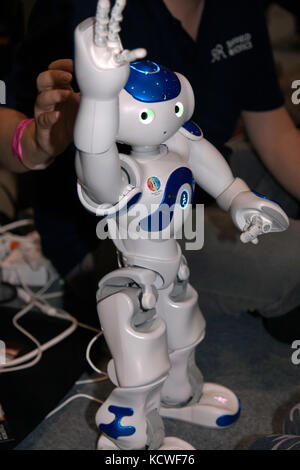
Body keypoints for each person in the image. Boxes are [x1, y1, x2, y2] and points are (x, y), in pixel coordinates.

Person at [7, 0, 300, 342]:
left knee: (261, 193)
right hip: (106, 239)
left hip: (184, 193)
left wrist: (237, 195)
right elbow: (91, 164)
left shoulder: (237, 10)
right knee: (289, 258)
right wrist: (58, 128)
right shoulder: (92, 15)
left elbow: (274, 134)